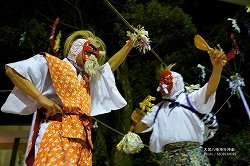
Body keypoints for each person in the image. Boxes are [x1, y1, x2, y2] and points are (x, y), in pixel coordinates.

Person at [1, 30, 138, 166]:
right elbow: (13, 71)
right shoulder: (53, 64)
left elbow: (109, 67)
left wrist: (129, 45)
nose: (93, 57)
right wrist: (40, 98)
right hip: (57, 132)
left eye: (96, 54)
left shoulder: (86, 78)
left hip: (83, 138)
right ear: (76, 49)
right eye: (90, 51)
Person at [131, 48, 227, 166]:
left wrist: (217, 69)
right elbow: (139, 129)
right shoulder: (157, 109)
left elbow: (210, 89)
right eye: (160, 82)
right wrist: (137, 121)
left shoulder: (191, 99)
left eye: (165, 81)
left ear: (176, 82)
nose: (161, 85)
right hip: (168, 157)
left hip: (193, 155)